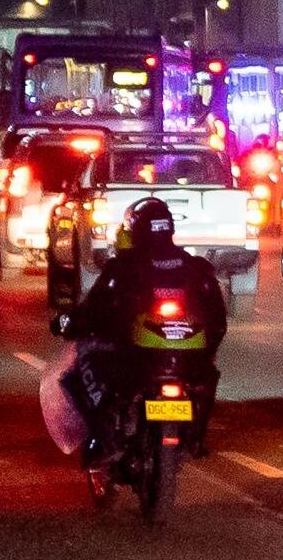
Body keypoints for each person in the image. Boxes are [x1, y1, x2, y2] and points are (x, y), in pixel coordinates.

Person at [59, 196, 228, 458]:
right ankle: (194, 439)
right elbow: (217, 319)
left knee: (76, 374)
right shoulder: (195, 266)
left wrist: (72, 324)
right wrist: (207, 349)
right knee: (205, 377)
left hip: (134, 359)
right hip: (188, 361)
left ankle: (99, 440)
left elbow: (95, 307)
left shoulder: (123, 267)